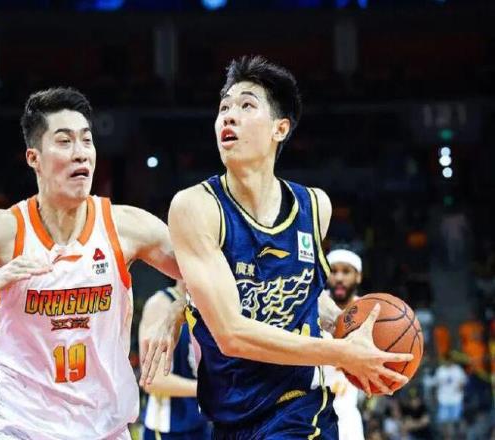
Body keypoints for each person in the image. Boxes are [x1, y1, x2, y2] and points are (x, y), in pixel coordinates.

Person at [168, 55, 412, 439]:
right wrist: (342, 353)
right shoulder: (196, 207)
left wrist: (345, 325)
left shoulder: (315, 207)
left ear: (280, 128)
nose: (229, 117)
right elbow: (231, 333)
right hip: (230, 420)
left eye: (246, 106)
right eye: (224, 108)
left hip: (300, 411)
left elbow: (306, 294)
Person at [0, 87, 184, 440]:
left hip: (105, 429)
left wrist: (179, 308)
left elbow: (208, 269)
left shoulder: (126, 226)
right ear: (34, 158)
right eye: (64, 141)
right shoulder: (6, 231)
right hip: (21, 428)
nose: (80, 152)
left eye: (86, 140)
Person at [139, 280, 210, 440]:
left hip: (201, 423)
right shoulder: (160, 303)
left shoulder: (204, 303)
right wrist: (207, 389)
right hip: (167, 429)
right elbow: (152, 380)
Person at [319, 249, 365, 440]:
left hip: (347, 415)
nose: (338, 278)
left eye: (346, 271)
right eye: (333, 271)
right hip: (310, 409)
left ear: (358, 276)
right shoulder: (313, 304)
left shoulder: (368, 310)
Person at [433, 353, 467, 440]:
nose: (448, 362)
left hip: (456, 400)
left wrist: (459, 388)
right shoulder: (440, 370)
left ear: (452, 360)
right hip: (443, 400)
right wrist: (436, 397)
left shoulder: (458, 370)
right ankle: (447, 438)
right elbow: (436, 385)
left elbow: (463, 381)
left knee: (456, 421)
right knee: (445, 423)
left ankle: (459, 438)